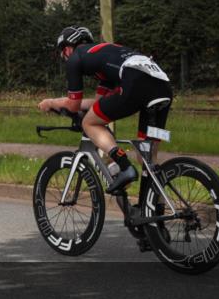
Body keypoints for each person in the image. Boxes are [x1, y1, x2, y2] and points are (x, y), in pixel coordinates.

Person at [38, 26, 173, 196]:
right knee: (147, 158)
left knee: (89, 123)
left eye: (62, 53)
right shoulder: (106, 60)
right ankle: (153, 213)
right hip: (162, 88)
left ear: (67, 49)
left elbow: (73, 105)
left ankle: (124, 166)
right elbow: (98, 104)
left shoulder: (75, 58)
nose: (64, 58)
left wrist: (51, 102)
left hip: (136, 83)